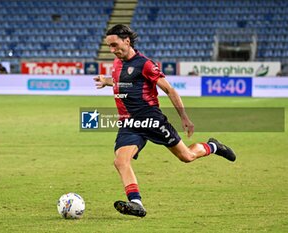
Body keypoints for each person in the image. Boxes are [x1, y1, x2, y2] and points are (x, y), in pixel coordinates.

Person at [93, 24, 236, 218]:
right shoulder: (118, 63)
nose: (112, 50)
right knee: (120, 161)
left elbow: (169, 90)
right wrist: (107, 81)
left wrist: (184, 117)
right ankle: (136, 203)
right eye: (109, 46)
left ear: (126, 40)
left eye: (115, 45)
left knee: (186, 156)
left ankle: (213, 146)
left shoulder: (145, 64)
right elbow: (124, 82)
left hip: (152, 120)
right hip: (130, 124)